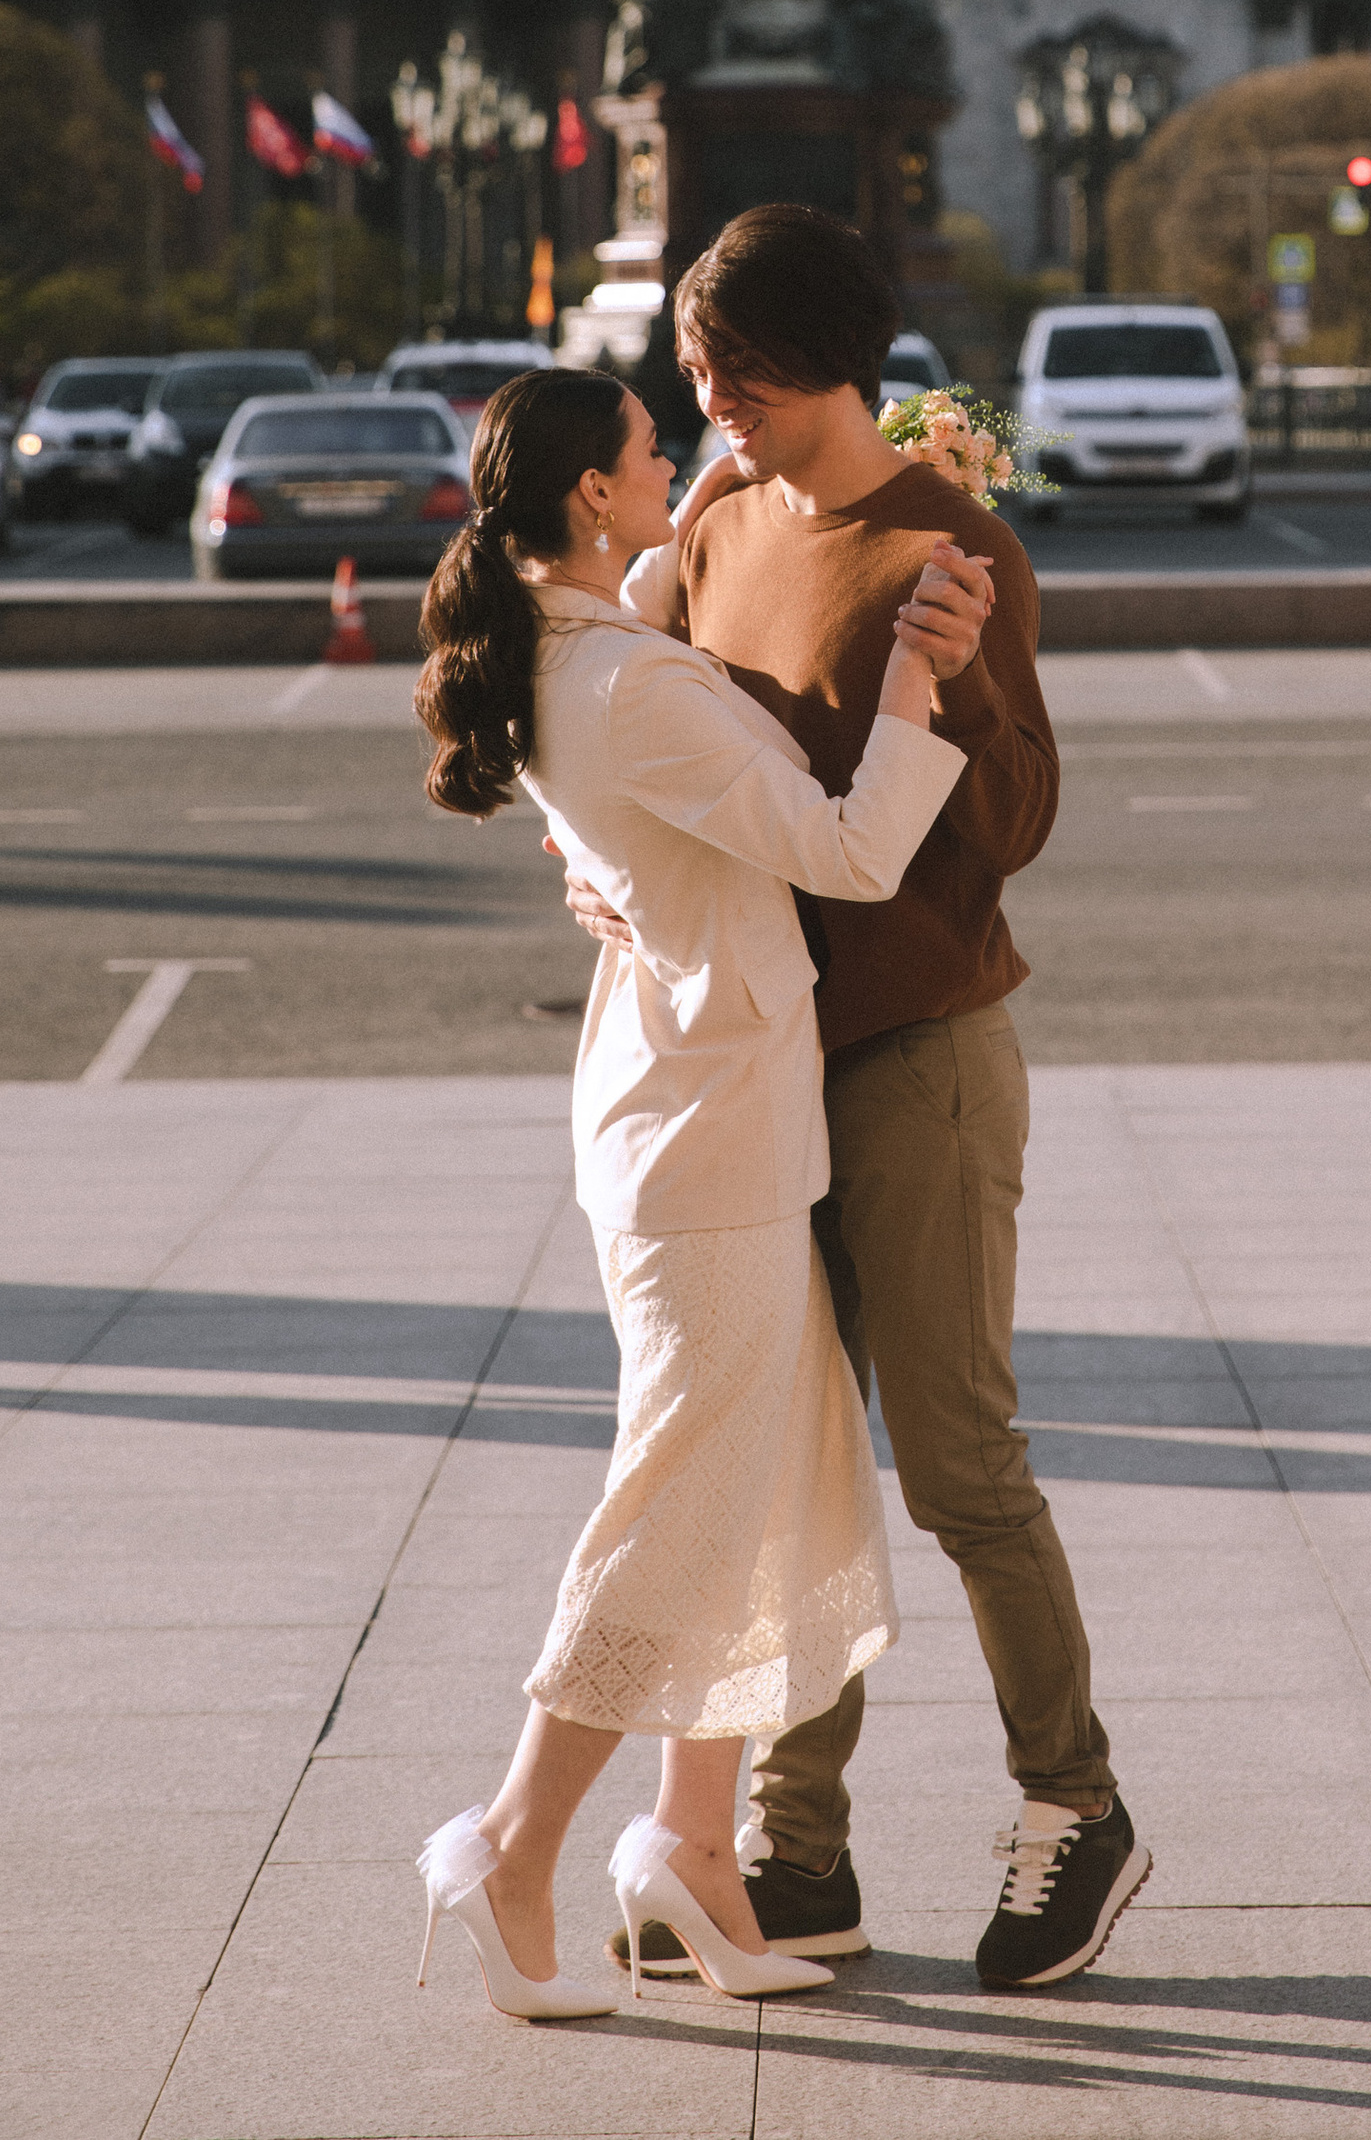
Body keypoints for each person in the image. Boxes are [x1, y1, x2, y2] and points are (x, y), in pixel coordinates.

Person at [572, 204, 1150, 1993]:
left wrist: (958, 683)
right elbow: (652, 747)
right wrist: (600, 870)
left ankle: (1078, 1806)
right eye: (695, 377)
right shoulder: (724, 523)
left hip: (917, 1063)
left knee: (957, 1460)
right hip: (767, 1066)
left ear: (823, 361)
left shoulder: (949, 545)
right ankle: (795, 1857)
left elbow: (1015, 831)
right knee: (780, 1463)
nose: (709, 408)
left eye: (729, 377)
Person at [407, 363, 988, 2024]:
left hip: (705, 1121)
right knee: (673, 1515)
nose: (683, 462)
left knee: (753, 1495)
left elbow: (659, 594)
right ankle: (515, 1849)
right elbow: (852, 848)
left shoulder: (573, 629)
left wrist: (766, 470)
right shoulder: (625, 690)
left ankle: (694, 1848)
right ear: (590, 493)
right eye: (657, 450)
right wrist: (910, 679)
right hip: (705, 1151)